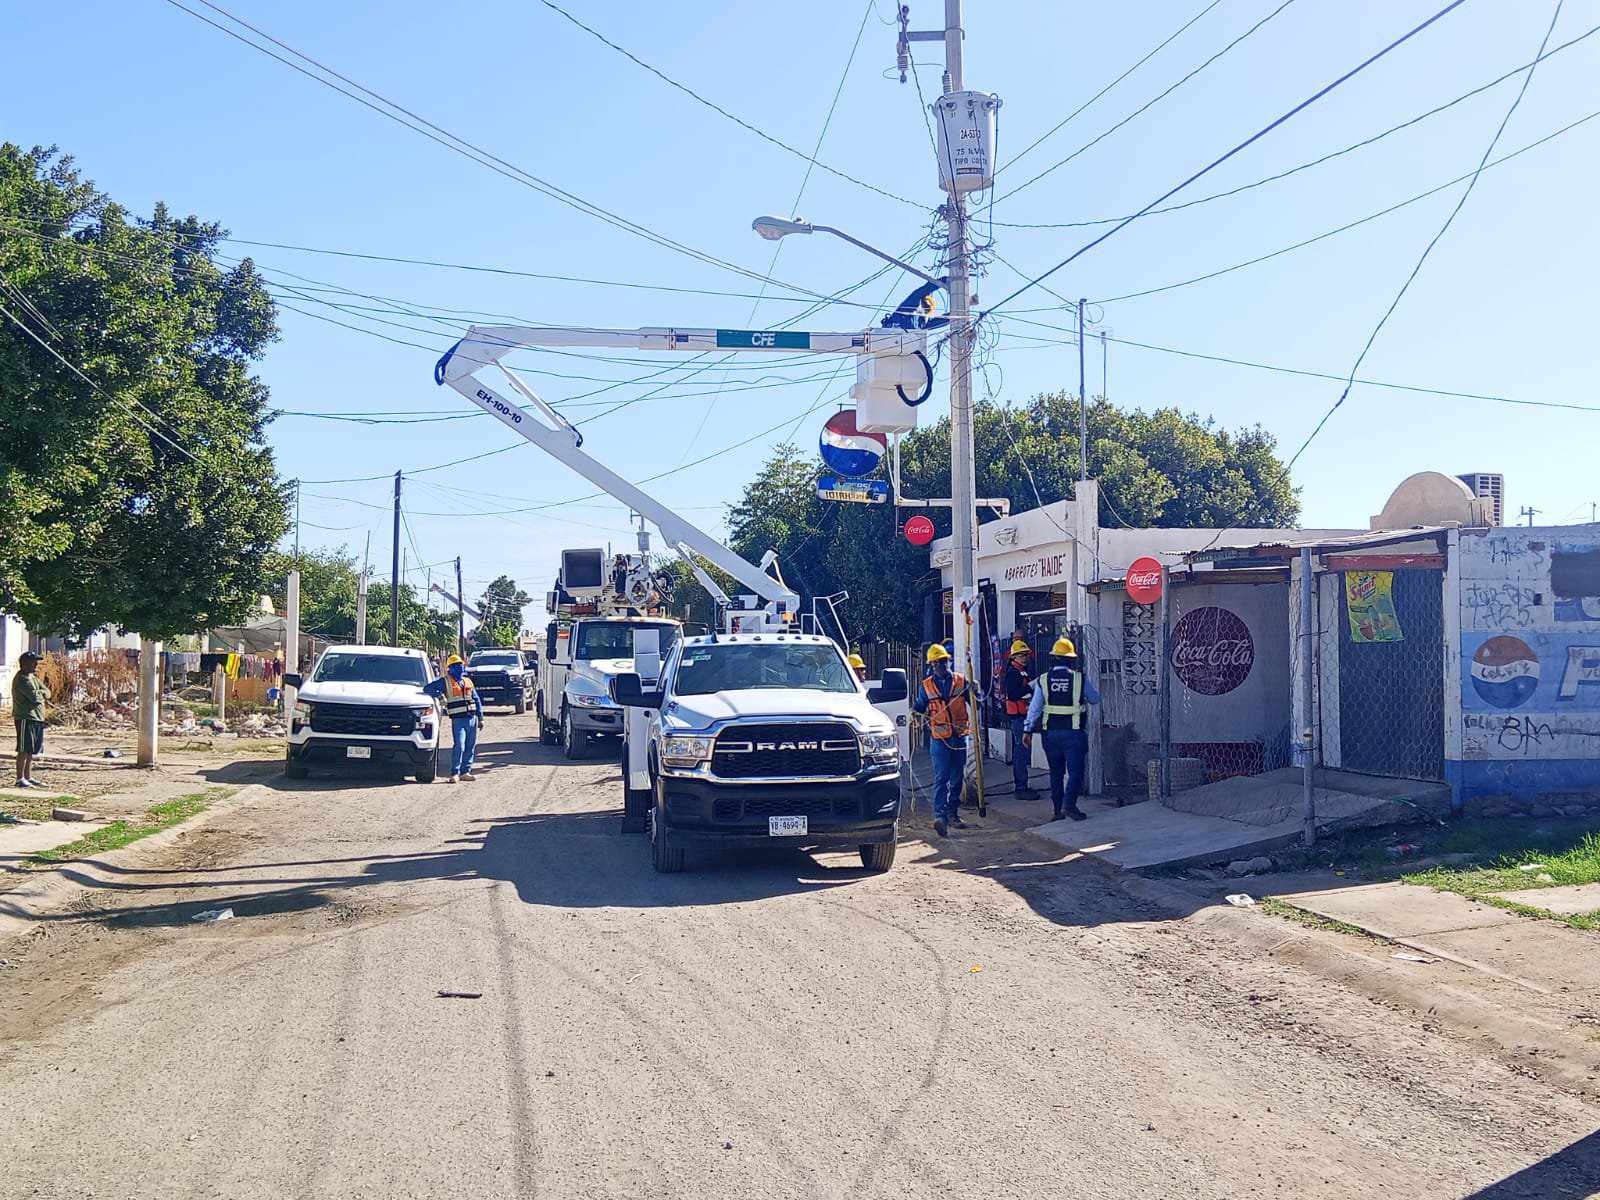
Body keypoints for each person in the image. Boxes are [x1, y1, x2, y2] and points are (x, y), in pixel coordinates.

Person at [1023, 636, 1101, 822]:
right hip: (1073, 733)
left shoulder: (1043, 680)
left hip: (1049, 734)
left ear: (1054, 658)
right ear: (1072, 659)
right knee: (1075, 772)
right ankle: (1070, 805)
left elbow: (1034, 708)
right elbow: (1095, 699)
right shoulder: (1079, 679)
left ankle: (1057, 811)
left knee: (1055, 773)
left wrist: (1027, 730)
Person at [912, 643, 970, 838]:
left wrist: (976, 691)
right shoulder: (926, 686)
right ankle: (940, 817)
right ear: (932, 665)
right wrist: (915, 716)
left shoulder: (961, 682)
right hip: (939, 740)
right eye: (937, 663)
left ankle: (953, 813)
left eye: (944, 661)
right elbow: (918, 708)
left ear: (948, 661)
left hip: (959, 737)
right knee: (941, 778)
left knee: (957, 778)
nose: (941, 665)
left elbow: (976, 702)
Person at [423, 653, 483, 783]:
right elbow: (427, 688)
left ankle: (465, 771)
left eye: (460, 665)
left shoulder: (467, 681)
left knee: (470, 746)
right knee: (459, 746)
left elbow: (476, 699)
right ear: (450, 668)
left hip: (472, 719)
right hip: (458, 720)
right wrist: (439, 695)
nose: (459, 667)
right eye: (455, 665)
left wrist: (481, 717)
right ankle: (454, 773)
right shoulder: (444, 681)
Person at [1001, 640, 1038, 800]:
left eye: (1026, 655)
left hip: (1023, 716)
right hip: (1018, 718)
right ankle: (1021, 787)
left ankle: (1022, 785)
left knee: (1022, 751)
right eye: (1022, 655)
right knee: (1021, 751)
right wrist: (1031, 686)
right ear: (1014, 657)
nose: (1025, 658)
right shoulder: (1013, 673)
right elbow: (1014, 694)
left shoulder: (1022, 671)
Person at [11, 651, 50, 793]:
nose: (36, 665)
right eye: (33, 662)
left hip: (36, 718)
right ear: (24, 664)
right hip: (25, 718)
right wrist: (42, 693)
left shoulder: (32, 677)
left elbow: (47, 691)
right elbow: (35, 698)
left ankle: (28, 777)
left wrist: (42, 692)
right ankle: (19, 778)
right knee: (23, 749)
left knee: (31, 750)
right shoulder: (22, 679)